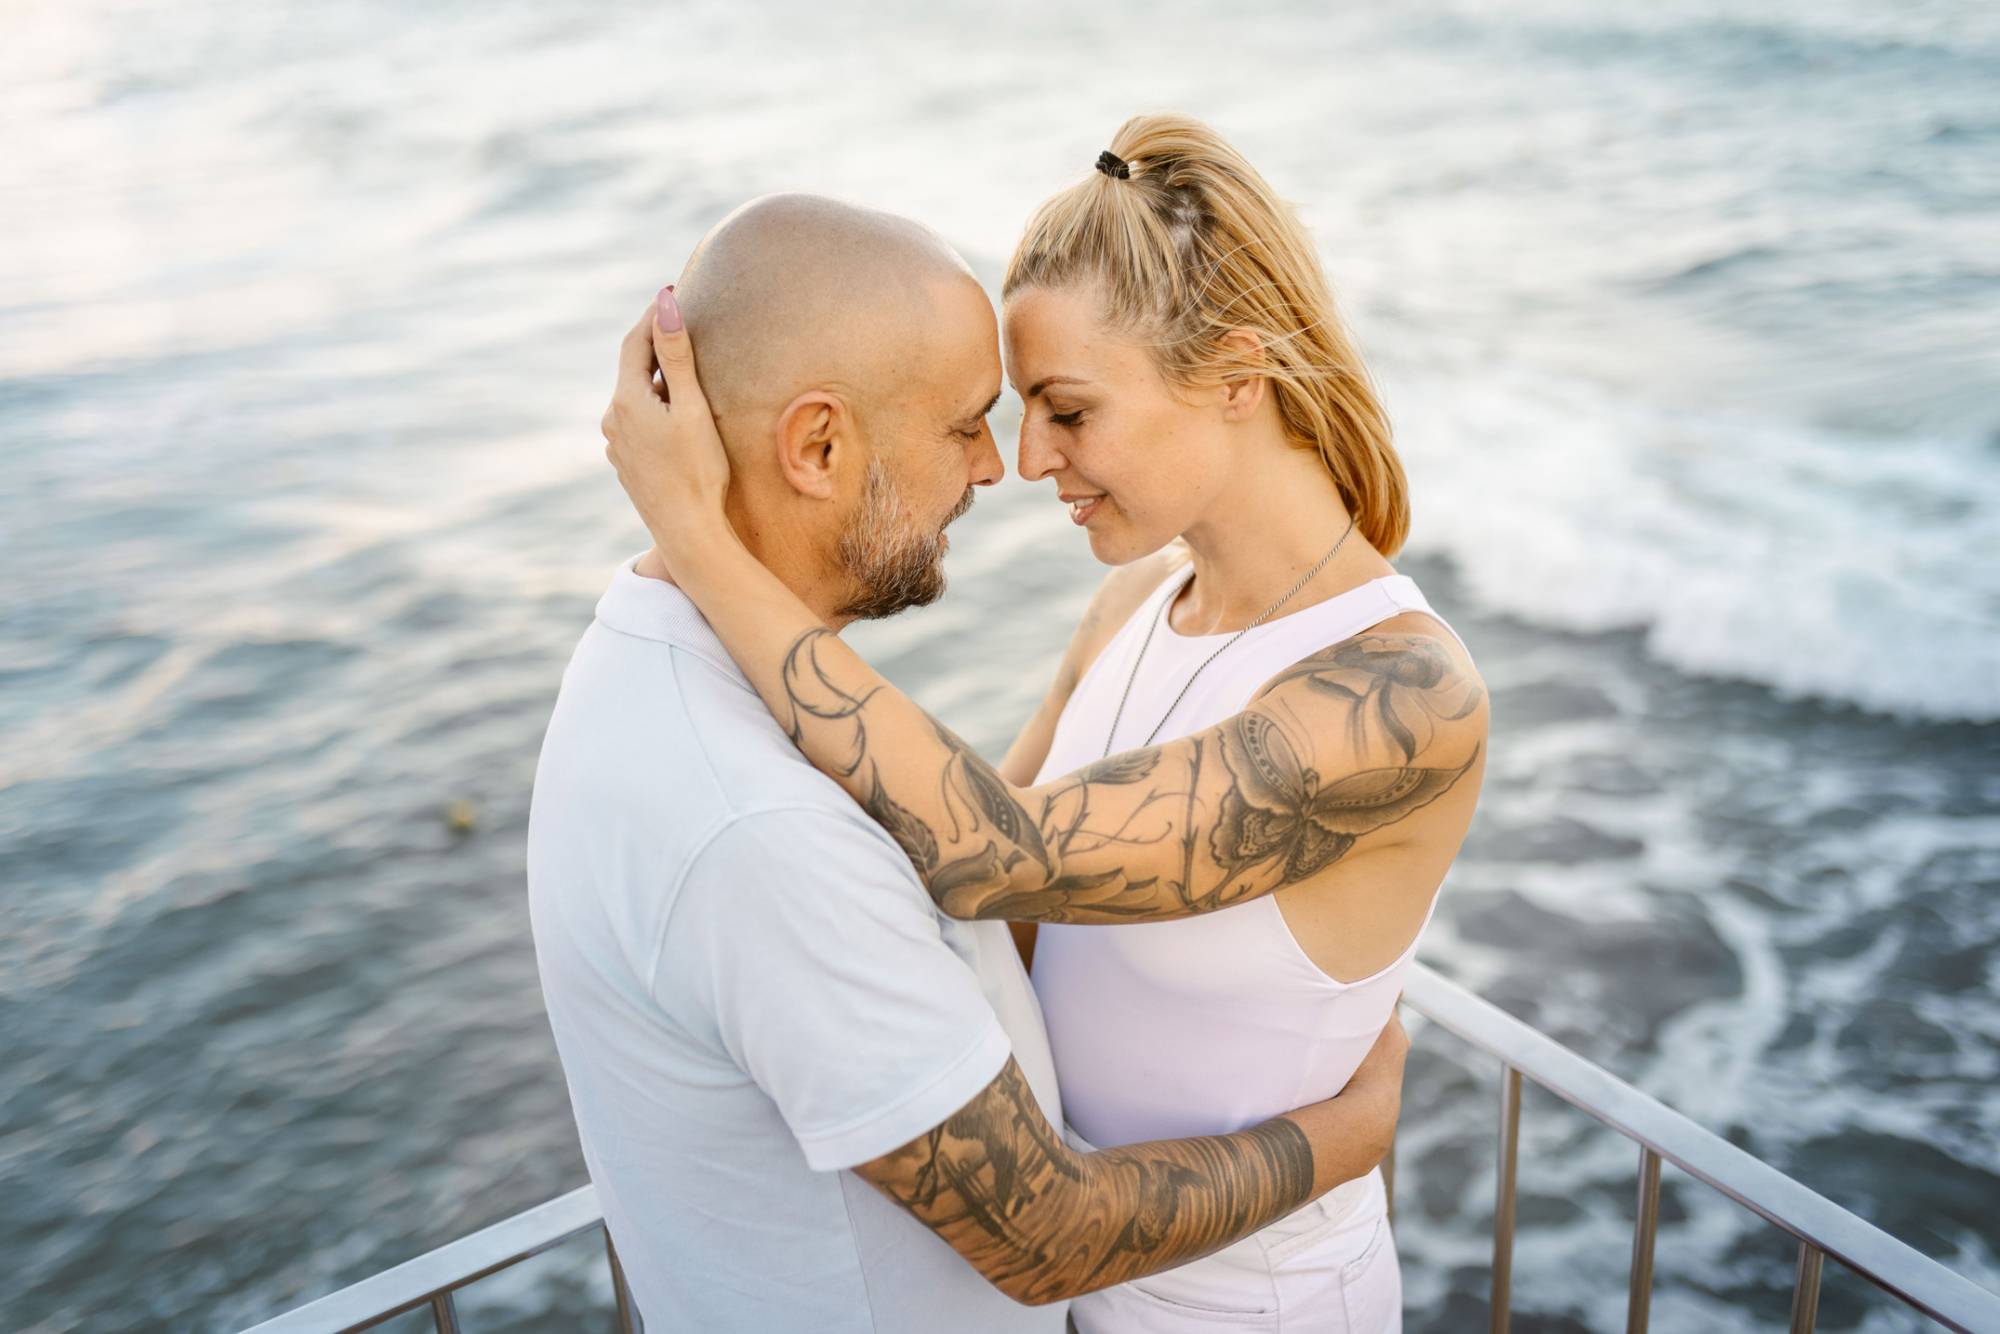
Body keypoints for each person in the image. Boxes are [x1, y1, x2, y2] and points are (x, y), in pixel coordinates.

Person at [606, 115, 1489, 1331]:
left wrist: (699, 540)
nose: (1027, 460)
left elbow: (993, 846)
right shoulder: (1132, 605)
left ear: (1236, 374)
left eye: (1068, 410)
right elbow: (971, 897)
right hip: (1081, 1296)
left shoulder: (1401, 694)